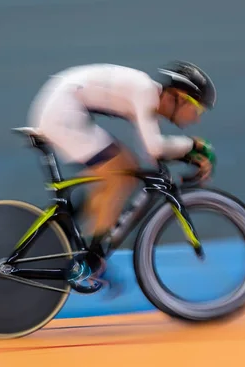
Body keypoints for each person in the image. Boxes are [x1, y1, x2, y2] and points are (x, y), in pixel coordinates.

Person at [27, 60, 217, 293]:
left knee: (124, 170)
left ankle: (70, 234)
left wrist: (187, 154)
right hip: (62, 110)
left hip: (63, 106)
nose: (196, 118)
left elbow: (152, 153)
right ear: (179, 96)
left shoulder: (146, 97)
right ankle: (90, 261)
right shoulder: (146, 92)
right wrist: (194, 147)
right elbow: (154, 148)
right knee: (118, 174)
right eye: (196, 110)